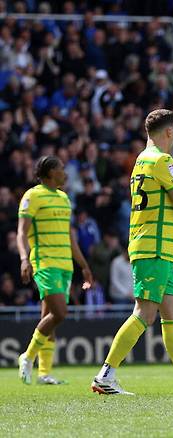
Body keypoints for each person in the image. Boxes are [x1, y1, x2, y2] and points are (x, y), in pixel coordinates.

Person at [91, 109, 173, 395]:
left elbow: (172, 201)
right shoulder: (164, 160)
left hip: (154, 245)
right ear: (170, 131)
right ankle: (105, 375)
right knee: (145, 314)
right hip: (154, 246)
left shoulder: (140, 160)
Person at [17, 156, 94, 385]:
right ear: (50, 172)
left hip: (65, 266)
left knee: (49, 317)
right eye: (61, 168)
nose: (65, 172)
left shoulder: (64, 198)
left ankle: (44, 373)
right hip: (45, 263)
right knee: (60, 313)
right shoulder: (33, 196)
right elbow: (21, 232)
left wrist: (84, 265)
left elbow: (70, 237)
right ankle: (27, 356)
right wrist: (24, 258)